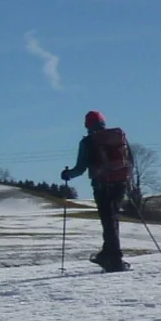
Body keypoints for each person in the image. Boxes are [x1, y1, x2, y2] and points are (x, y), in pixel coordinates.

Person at [61, 110, 133, 272]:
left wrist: (67, 175)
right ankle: (108, 255)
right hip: (120, 184)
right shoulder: (119, 137)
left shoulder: (88, 142)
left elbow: (80, 168)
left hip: (101, 186)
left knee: (108, 222)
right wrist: (127, 180)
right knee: (112, 220)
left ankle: (114, 260)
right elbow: (130, 160)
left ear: (87, 125)